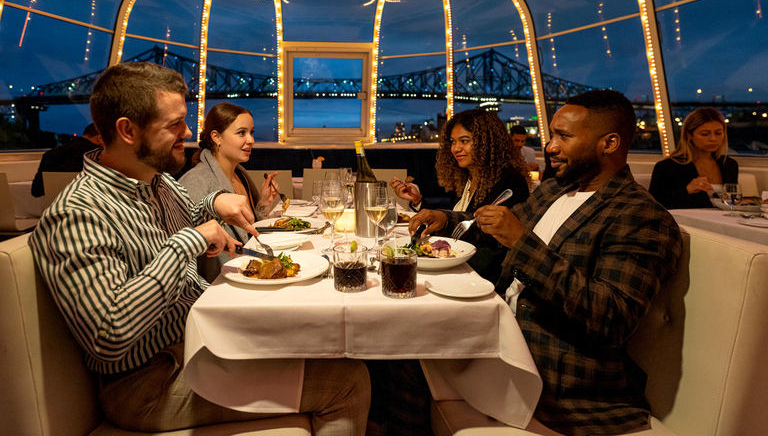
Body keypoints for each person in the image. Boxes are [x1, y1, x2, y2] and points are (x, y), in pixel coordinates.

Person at [30, 62, 370, 435]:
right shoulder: (78, 213)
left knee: (323, 340)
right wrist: (189, 241)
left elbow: (187, 209)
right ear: (127, 130)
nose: (188, 133)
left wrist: (214, 202)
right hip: (149, 383)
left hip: (198, 345)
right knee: (348, 380)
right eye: (174, 124)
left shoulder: (156, 183)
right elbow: (109, 335)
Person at [411, 90, 682, 435]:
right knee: (392, 355)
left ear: (609, 143)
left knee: (403, 363)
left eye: (563, 137)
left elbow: (611, 317)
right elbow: (495, 225)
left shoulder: (641, 215)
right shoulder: (553, 190)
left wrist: (521, 241)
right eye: (552, 135)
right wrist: (444, 218)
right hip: (500, 346)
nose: (550, 146)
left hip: (556, 387)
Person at [391, 109, 530, 284]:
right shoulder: (468, 178)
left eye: (464, 141)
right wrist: (418, 201)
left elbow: (484, 232)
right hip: (457, 264)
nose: (456, 149)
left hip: (483, 276)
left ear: (486, 143)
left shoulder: (508, 180)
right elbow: (456, 220)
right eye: (453, 142)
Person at [179, 102, 279, 282]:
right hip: (217, 284)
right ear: (216, 137)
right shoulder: (195, 181)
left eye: (251, 132)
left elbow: (249, 232)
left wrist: (264, 203)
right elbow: (184, 250)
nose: (251, 140)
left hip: (249, 274)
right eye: (242, 133)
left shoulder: (240, 174)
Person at [649, 107, 738, 209]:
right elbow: (653, 205)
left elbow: (732, 201)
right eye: (705, 134)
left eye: (718, 133)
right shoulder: (668, 167)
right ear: (689, 135)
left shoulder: (729, 165)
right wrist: (687, 190)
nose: (713, 139)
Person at [31, 123, 103, 197]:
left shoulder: (50, 154)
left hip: (57, 206)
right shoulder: (98, 154)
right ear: (99, 138)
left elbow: (36, 191)